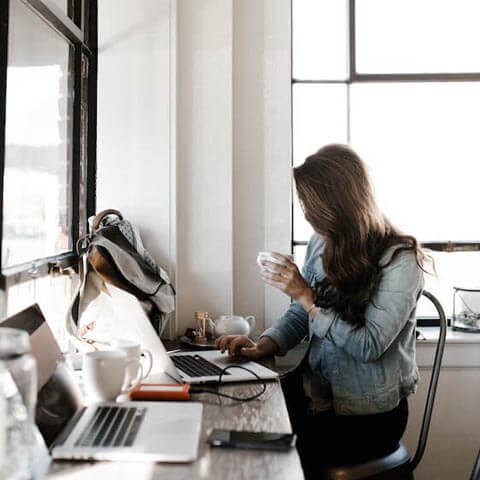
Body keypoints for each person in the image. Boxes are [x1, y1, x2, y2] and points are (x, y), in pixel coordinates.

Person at [215, 144, 426, 479]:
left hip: (367, 416)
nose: (308, 216)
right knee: (229, 421)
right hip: (316, 396)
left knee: (264, 452)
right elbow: (301, 314)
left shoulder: (400, 260)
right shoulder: (321, 243)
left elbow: (368, 346)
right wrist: (262, 346)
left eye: (312, 207)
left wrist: (306, 294)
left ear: (341, 204)